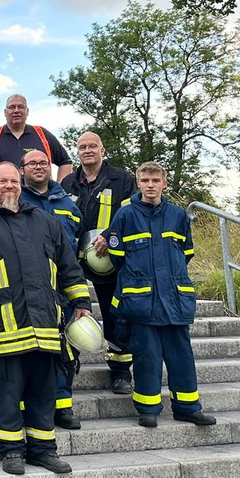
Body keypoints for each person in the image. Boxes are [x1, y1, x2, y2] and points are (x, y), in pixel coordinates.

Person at [0, 161, 91, 476]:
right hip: (4, 321)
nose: (9, 186)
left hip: (45, 322)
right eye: (2, 181)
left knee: (44, 390)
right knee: (8, 389)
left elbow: (68, 266)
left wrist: (80, 300)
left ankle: (43, 449)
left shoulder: (46, 221)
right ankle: (11, 449)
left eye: (13, 181)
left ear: (21, 184)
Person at [105, 162, 216, 429]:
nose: (150, 184)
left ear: (164, 183)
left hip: (175, 300)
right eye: (145, 180)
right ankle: (148, 408)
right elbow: (117, 257)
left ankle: (188, 407)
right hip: (142, 301)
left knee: (182, 357)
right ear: (138, 183)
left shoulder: (178, 215)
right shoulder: (125, 215)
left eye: (155, 180)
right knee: (147, 357)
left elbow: (186, 253)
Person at [61, 131, 137, 394]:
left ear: (102, 150)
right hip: (73, 258)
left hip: (109, 258)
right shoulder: (68, 182)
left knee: (114, 313)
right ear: (77, 152)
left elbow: (130, 215)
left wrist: (110, 236)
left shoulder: (122, 179)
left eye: (92, 146)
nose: (87, 150)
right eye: (82, 147)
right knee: (71, 308)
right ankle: (71, 359)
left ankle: (120, 372)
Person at [19, 149, 84, 431]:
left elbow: (75, 252)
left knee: (65, 352)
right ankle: (28, 407)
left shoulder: (68, 205)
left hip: (61, 290)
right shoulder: (15, 200)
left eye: (43, 162)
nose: (38, 167)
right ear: (22, 170)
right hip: (27, 289)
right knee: (29, 353)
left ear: (51, 167)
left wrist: (80, 297)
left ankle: (63, 405)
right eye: (31, 163)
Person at [0, 95, 73, 180]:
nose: (16, 110)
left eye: (21, 107)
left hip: (40, 194)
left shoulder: (42, 134)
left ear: (27, 111)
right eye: (12, 107)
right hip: (5, 192)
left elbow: (65, 162)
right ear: (5, 112)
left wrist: (60, 189)